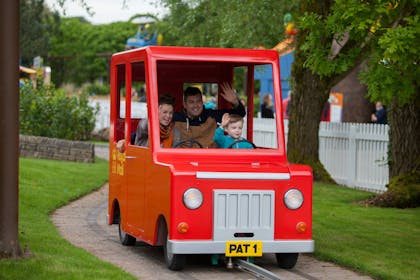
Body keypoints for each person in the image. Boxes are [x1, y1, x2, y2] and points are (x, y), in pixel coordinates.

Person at [173, 83, 246, 148]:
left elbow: (240, 114)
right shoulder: (176, 117)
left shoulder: (212, 115)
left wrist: (235, 102)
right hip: (184, 159)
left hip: (210, 160)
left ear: (202, 102)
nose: (196, 105)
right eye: (191, 102)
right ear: (185, 105)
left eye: (198, 101)